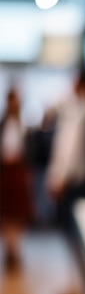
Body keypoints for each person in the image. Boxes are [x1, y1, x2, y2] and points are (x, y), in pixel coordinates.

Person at [46, 67, 85, 234]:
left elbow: (72, 153)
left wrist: (60, 178)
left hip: (77, 183)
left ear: (79, 86)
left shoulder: (80, 116)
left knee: (76, 234)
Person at [0, 86, 34, 270]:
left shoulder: (23, 124)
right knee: (7, 213)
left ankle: (16, 247)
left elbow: (29, 151)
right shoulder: (3, 123)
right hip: (5, 172)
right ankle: (9, 248)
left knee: (18, 214)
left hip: (18, 171)